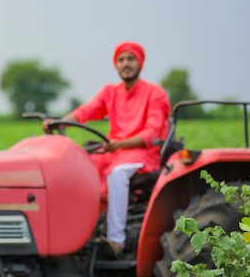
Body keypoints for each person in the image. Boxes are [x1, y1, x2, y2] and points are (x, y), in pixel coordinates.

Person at [42, 41, 170, 259]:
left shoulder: (154, 93)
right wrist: (60, 122)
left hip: (142, 151)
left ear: (140, 63)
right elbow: (85, 111)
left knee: (118, 174)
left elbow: (152, 133)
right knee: (80, 171)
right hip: (114, 152)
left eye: (130, 59)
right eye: (121, 60)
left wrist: (120, 144)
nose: (126, 64)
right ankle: (78, 234)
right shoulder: (110, 92)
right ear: (116, 65)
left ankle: (115, 241)